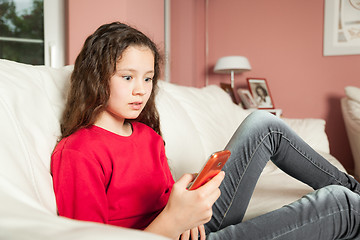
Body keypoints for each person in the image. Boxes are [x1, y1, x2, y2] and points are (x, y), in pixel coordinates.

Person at [51, 22, 360, 240]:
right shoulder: (80, 152)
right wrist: (173, 220)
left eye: (147, 79)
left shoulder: (147, 137)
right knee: (340, 205)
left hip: (192, 229)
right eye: (127, 77)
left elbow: (165, 199)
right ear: (95, 77)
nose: (140, 91)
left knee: (263, 125)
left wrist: (187, 201)